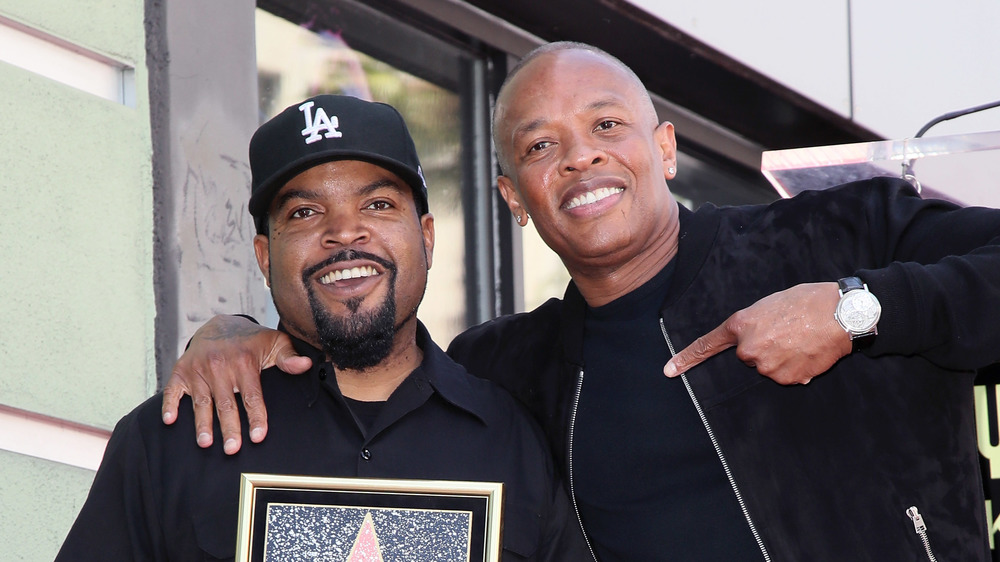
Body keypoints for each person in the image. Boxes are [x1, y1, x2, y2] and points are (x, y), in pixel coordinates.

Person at [162, 44, 1000, 560]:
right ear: (514, 196)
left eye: (607, 126)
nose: (580, 160)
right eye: (541, 145)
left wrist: (858, 310)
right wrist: (231, 332)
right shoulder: (508, 369)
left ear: (663, 148)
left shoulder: (837, 234)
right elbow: (371, 376)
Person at [57, 94, 587, 561]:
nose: (344, 232)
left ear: (426, 238)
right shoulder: (172, 440)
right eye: (305, 213)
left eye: (377, 205)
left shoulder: (515, 439)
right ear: (264, 257)